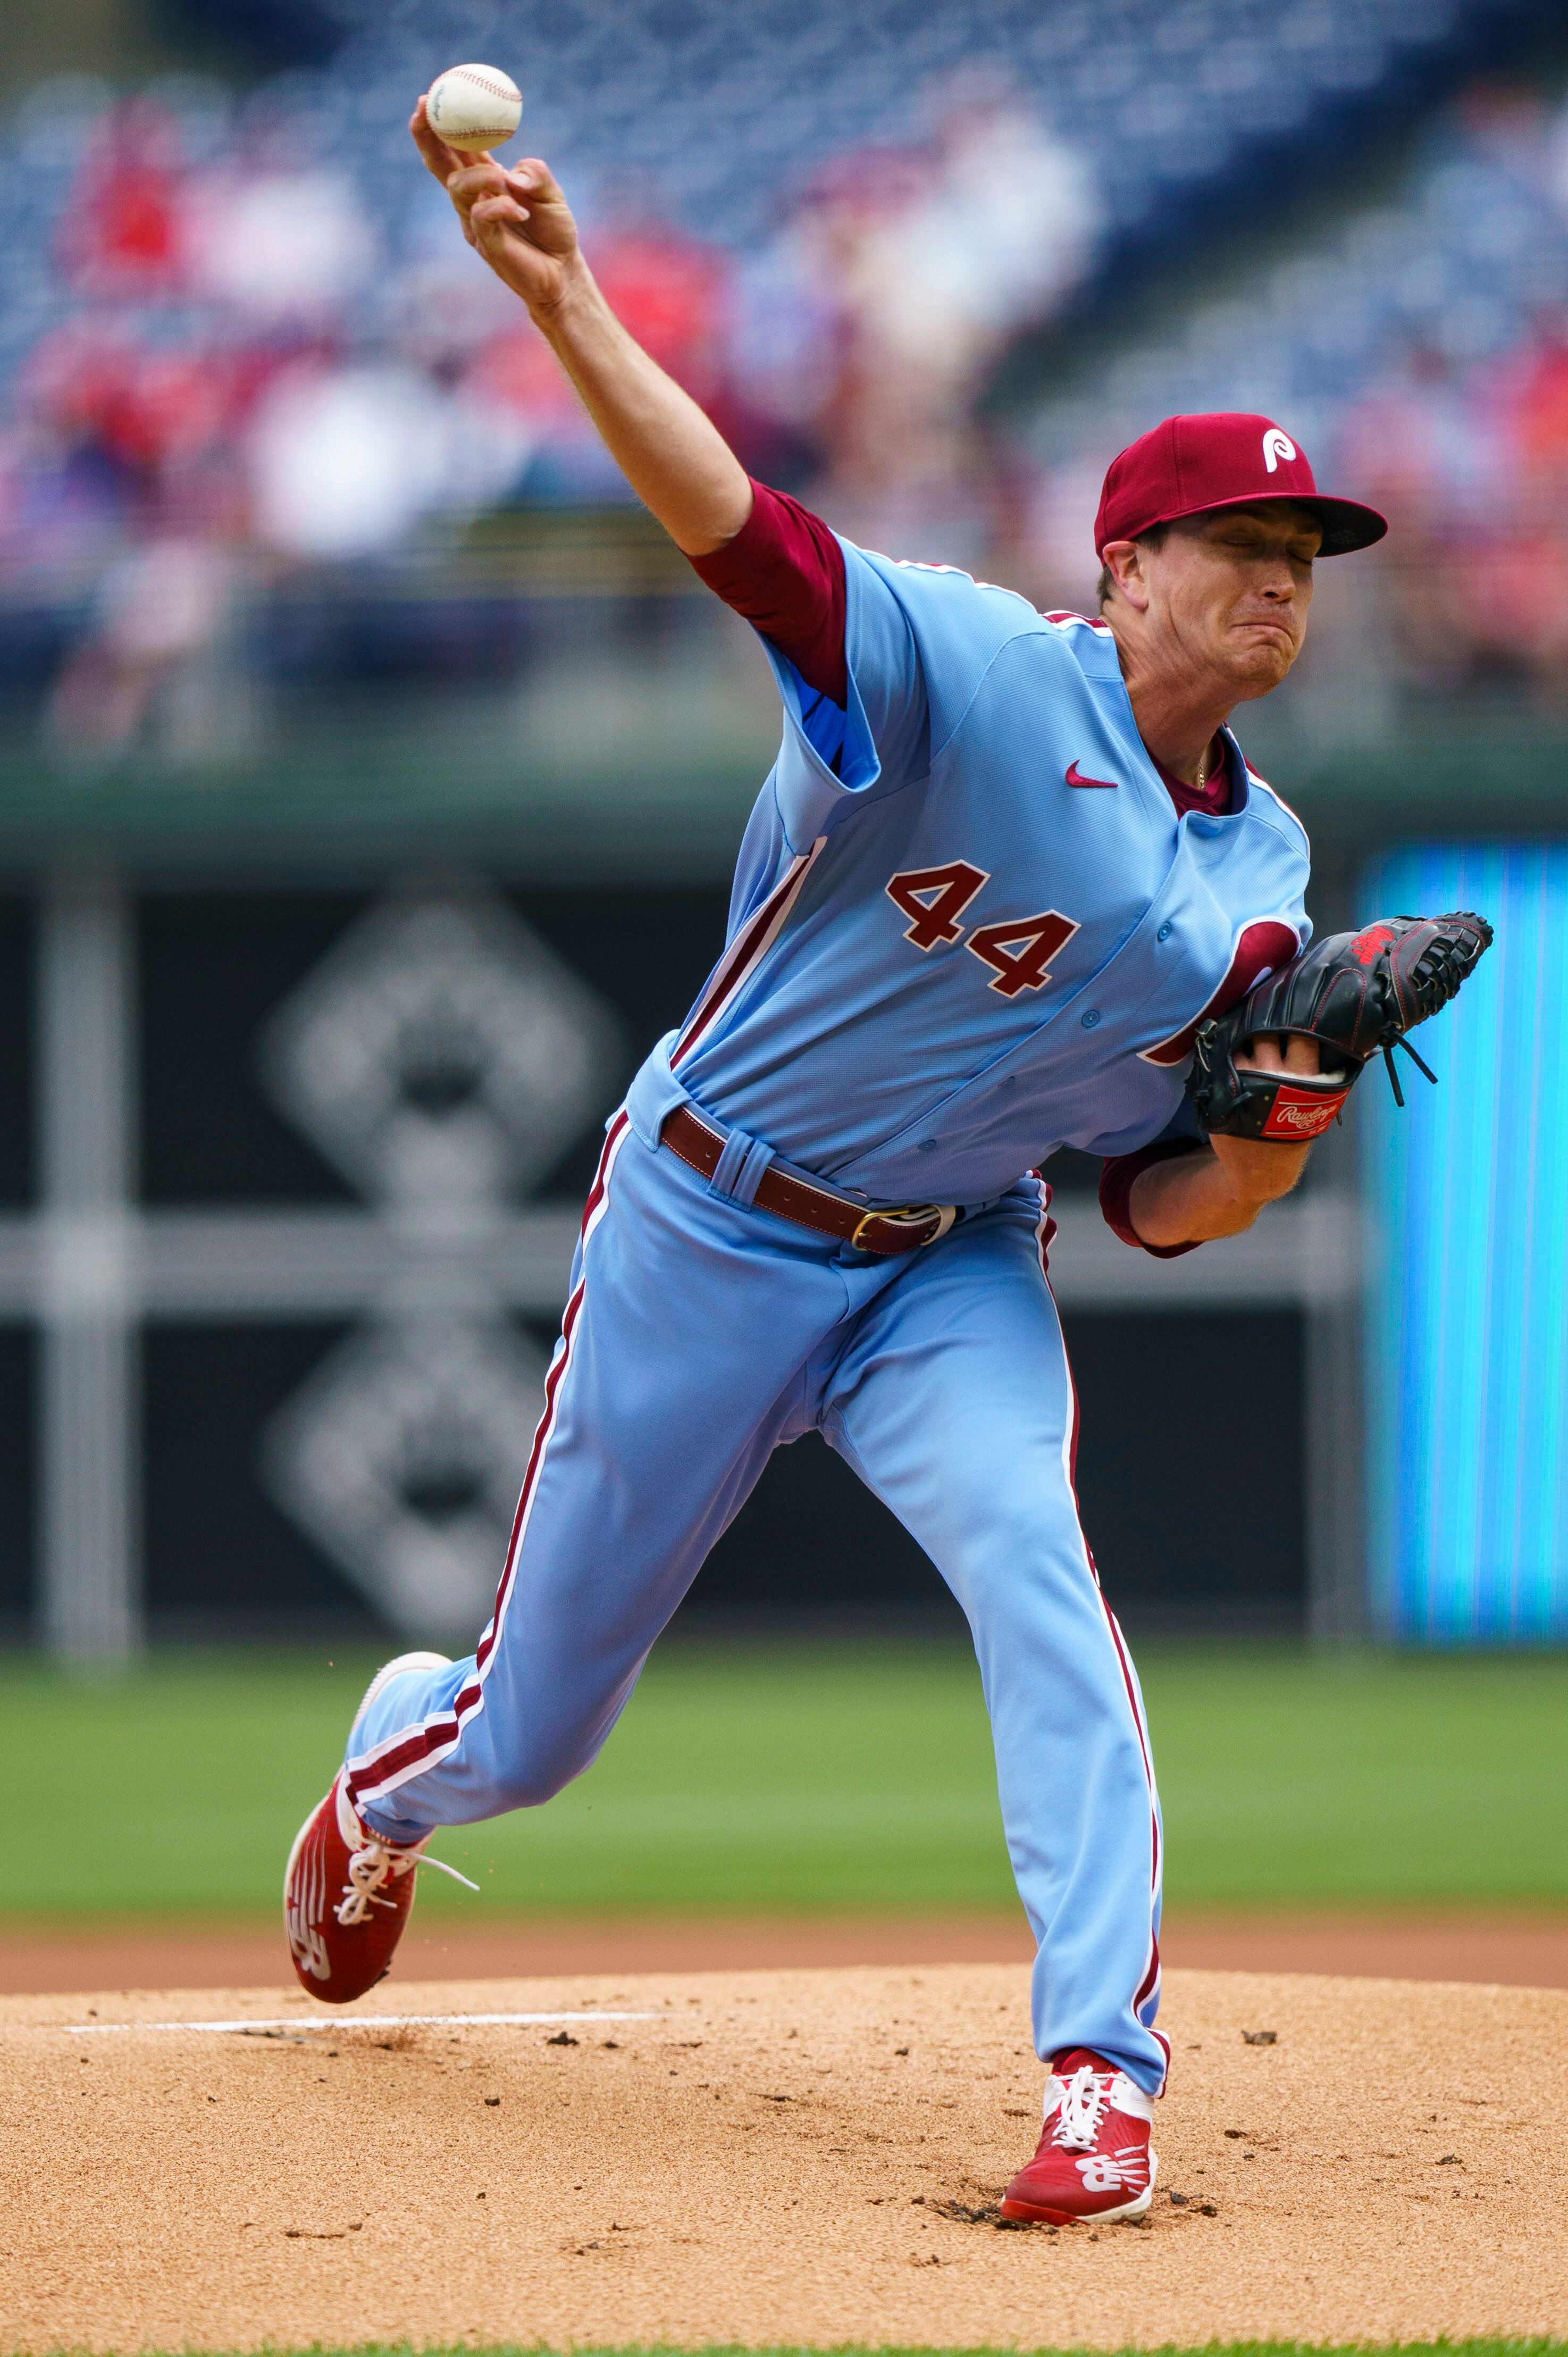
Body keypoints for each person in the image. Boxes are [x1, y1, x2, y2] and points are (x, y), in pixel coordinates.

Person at [283, 103, 1390, 2228]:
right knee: (532, 1729)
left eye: (1307, 557)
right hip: (710, 1211)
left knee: (1038, 1579)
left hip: (949, 1265)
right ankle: (379, 1788)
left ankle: (1103, 2077)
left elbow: (1169, 1200)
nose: (1280, 584)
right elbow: (742, 533)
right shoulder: (970, 666)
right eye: (1241, 547)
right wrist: (564, 299)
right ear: (1128, 566)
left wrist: (1279, 1130)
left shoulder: (1268, 876)